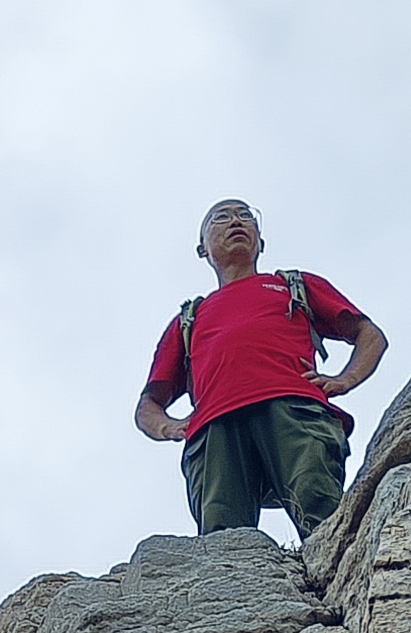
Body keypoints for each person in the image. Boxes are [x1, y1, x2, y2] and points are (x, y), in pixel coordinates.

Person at [136, 199, 387, 540]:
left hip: (294, 408)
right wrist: (170, 427)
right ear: (202, 249)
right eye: (221, 218)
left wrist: (347, 379)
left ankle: (337, 576)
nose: (236, 221)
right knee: (223, 539)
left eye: (245, 216)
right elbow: (149, 404)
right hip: (215, 427)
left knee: (320, 510)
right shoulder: (189, 319)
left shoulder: (292, 285)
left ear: (260, 241)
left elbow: (368, 335)